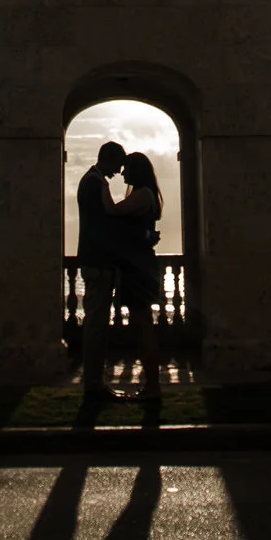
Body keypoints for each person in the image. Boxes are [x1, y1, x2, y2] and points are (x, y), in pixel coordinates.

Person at [75, 140, 131, 399]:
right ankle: (94, 384)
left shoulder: (90, 180)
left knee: (96, 323)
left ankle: (94, 381)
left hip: (93, 259)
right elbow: (109, 212)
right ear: (109, 159)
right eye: (118, 164)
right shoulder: (97, 182)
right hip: (98, 261)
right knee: (96, 325)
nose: (119, 171)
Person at [111, 152, 166, 400]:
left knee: (144, 325)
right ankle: (151, 385)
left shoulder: (142, 195)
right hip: (139, 263)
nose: (122, 173)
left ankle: (153, 386)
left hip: (138, 266)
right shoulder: (145, 195)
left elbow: (111, 212)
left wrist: (100, 189)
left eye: (126, 168)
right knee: (142, 324)